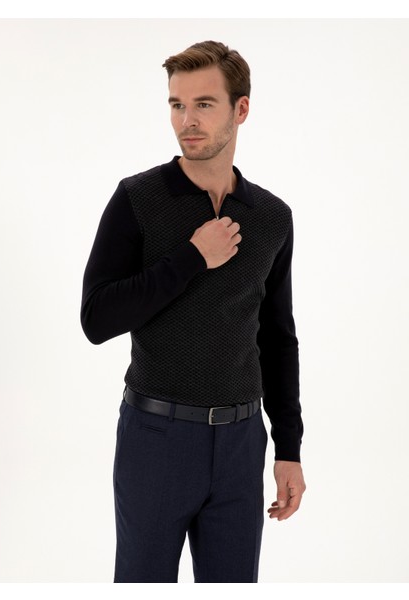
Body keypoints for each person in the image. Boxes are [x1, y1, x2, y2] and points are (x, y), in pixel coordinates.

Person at [80, 40, 306, 583]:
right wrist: (190, 258)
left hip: (241, 443)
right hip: (156, 437)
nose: (188, 120)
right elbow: (96, 319)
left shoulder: (271, 216)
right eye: (177, 105)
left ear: (240, 109)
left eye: (204, 104)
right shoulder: (137, 199)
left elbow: (277, 338)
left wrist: (289, 447)